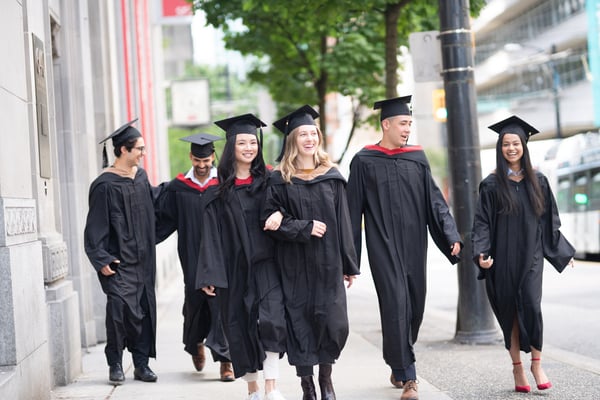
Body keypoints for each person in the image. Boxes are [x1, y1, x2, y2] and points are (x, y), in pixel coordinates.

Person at [346, 96, 462, 400]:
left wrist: (451, 234)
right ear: (386, 124)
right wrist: (349, 261)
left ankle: (398, 360)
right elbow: (351, 211)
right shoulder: (363, 160)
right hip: (382, 244)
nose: (408, 128)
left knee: (415, 304)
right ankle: (409, 375)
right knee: (396, 303)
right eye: (403, 123)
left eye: (410, 123)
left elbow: (435, 201)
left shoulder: (416, 158)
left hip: (414, 244)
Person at [472, 115, 575, 393]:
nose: (511, 149)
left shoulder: (538, 181)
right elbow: (481, 223)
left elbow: (549, 220)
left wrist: (562, 251)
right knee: (510, 313)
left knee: (531, 304)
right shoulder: (491, 185)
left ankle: (537, 363)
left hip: (531, 256)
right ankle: (518, 369)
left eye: (515, 143)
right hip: (502, 259)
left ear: (524, 146)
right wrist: (482, 253)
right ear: (500, 148)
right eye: (506, 144)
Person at [263, 105, 359, 400]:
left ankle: (326, 379)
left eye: (312, 133)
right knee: (300, 321)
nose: (309, 139)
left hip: (329, 262)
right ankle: (308, 386)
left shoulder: (330, 175)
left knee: (333, 322)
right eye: (302, 134)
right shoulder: (279, 179)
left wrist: (349, 263)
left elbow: (344, 221)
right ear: (292, 140)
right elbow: (269, 222)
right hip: (294, 265)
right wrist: (303, 228)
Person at [197, 114, 287, 400]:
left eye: (253, 142)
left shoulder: (271, 181)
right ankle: (253, 389)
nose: (249, 147)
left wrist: (279, 213)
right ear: (231, 146)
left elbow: (290, 209)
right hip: (235, 269)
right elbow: (210, 234)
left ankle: (271, 386)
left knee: (273, 322)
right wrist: (209, 273)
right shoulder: (218, 191)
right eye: (243, 142)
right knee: (240, 326)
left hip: (267, 265)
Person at [84, 118, 159, 385]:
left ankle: (141, 363)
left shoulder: (141, 177)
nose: (143, 153)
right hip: (119, 265)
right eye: (139, 148)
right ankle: (115, 363)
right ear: (123, 150)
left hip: (143, 262)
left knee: (143, 311)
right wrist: (101, 259)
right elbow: (95, 227)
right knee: (118, 313)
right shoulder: (105, 185)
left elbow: (154, 211)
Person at [155, 132, 234, 381]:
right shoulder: (178, 187)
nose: (202, 165)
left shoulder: (222, 184)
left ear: (213, 156)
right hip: (191, 254)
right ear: (191, 157)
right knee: (194, 303)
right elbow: (163, 218)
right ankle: (195, 344)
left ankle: (226, 360)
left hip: (220, 253)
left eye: (206, 160)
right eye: (197, 161)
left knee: (222, 304)